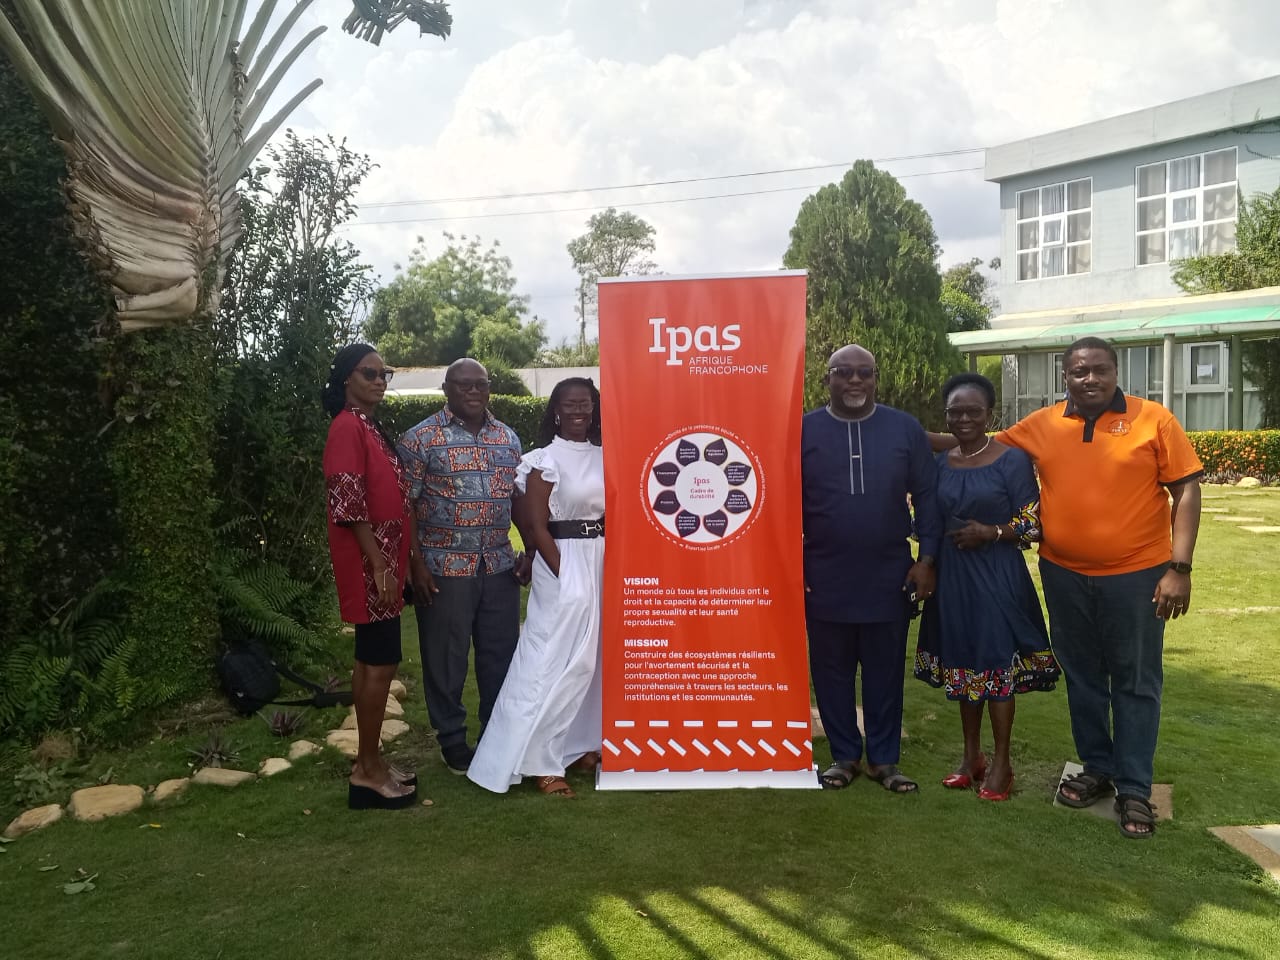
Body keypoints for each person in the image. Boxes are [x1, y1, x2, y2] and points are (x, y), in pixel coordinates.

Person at [933, 336, 1202, 837]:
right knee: (1082, 676)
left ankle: (1134, 788)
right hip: (1064, 574)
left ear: (1116, 371)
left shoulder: (1153, 420)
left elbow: (1186, 488)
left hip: (1136, 575)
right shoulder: (1044, 424)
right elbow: (973, 441)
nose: (1090, 379)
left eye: (1099, 369)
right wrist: (892, 434)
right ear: (1066, 377)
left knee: (1135, 680)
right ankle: (1097, 768)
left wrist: (1179, 568)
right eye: (1079, 371)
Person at [802, 344, 942, 793]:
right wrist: (791, 566)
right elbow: (781, 501)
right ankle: (844, 755)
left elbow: (928, 496)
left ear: (876, 378)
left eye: (865, 372)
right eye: (844, 372)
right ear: (828, 379)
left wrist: (927, 559)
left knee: (885, 671)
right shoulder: (803, 430)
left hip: (889, 573)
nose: (855, 380)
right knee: (831, 671)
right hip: (823, 574)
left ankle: (884, 759)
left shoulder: (904, 428)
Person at [913, 373, 1059, 802]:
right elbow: (930, 519)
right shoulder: (941, 463)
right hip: (953, 577)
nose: (963, 419)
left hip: (996, 573)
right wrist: (927, 564)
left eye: (973, 411)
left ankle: (1002, 764)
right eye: (954, 412)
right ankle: (970, 758)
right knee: (964, 662)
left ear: (990, 414)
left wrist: (992, 532)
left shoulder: (1012, 460)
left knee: (996, 666)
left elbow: (1032, 522)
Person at [468, 378, 605, 798]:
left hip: (599, 557)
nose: (579, 412)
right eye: (570, 405)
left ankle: (576, 745)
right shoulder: (543, 459)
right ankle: (538, 760)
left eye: (586, 404)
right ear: (556, 411)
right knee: (551, 658)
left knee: (591, 658)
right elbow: (534, 525)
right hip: (561, 558)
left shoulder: (606, 455)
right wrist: (566, 574)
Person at [398, 358, 532, 775]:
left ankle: (495, 736)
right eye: (463, 385)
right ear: (446, 389)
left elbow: (517, 499)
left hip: (498, 565)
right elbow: (404, 507)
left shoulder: (507, 438)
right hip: (443, 566)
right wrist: (416, 565)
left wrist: (529, 549)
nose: (473, 391)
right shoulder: (421, 438)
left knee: (500, 654)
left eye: (480, 384)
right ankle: (452, 740)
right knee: (446, 657)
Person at [322, 343, 417, 810]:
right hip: (370, 566)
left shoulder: (367, 425)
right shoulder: (346, 427)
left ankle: (371, 760)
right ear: (347, 378)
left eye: (385, 374)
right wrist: (379, 564)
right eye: (369, 373)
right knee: (380, 663)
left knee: (370, 661)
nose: (380, 381)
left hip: (383, 562)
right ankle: (367, 770)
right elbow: (347, 501)